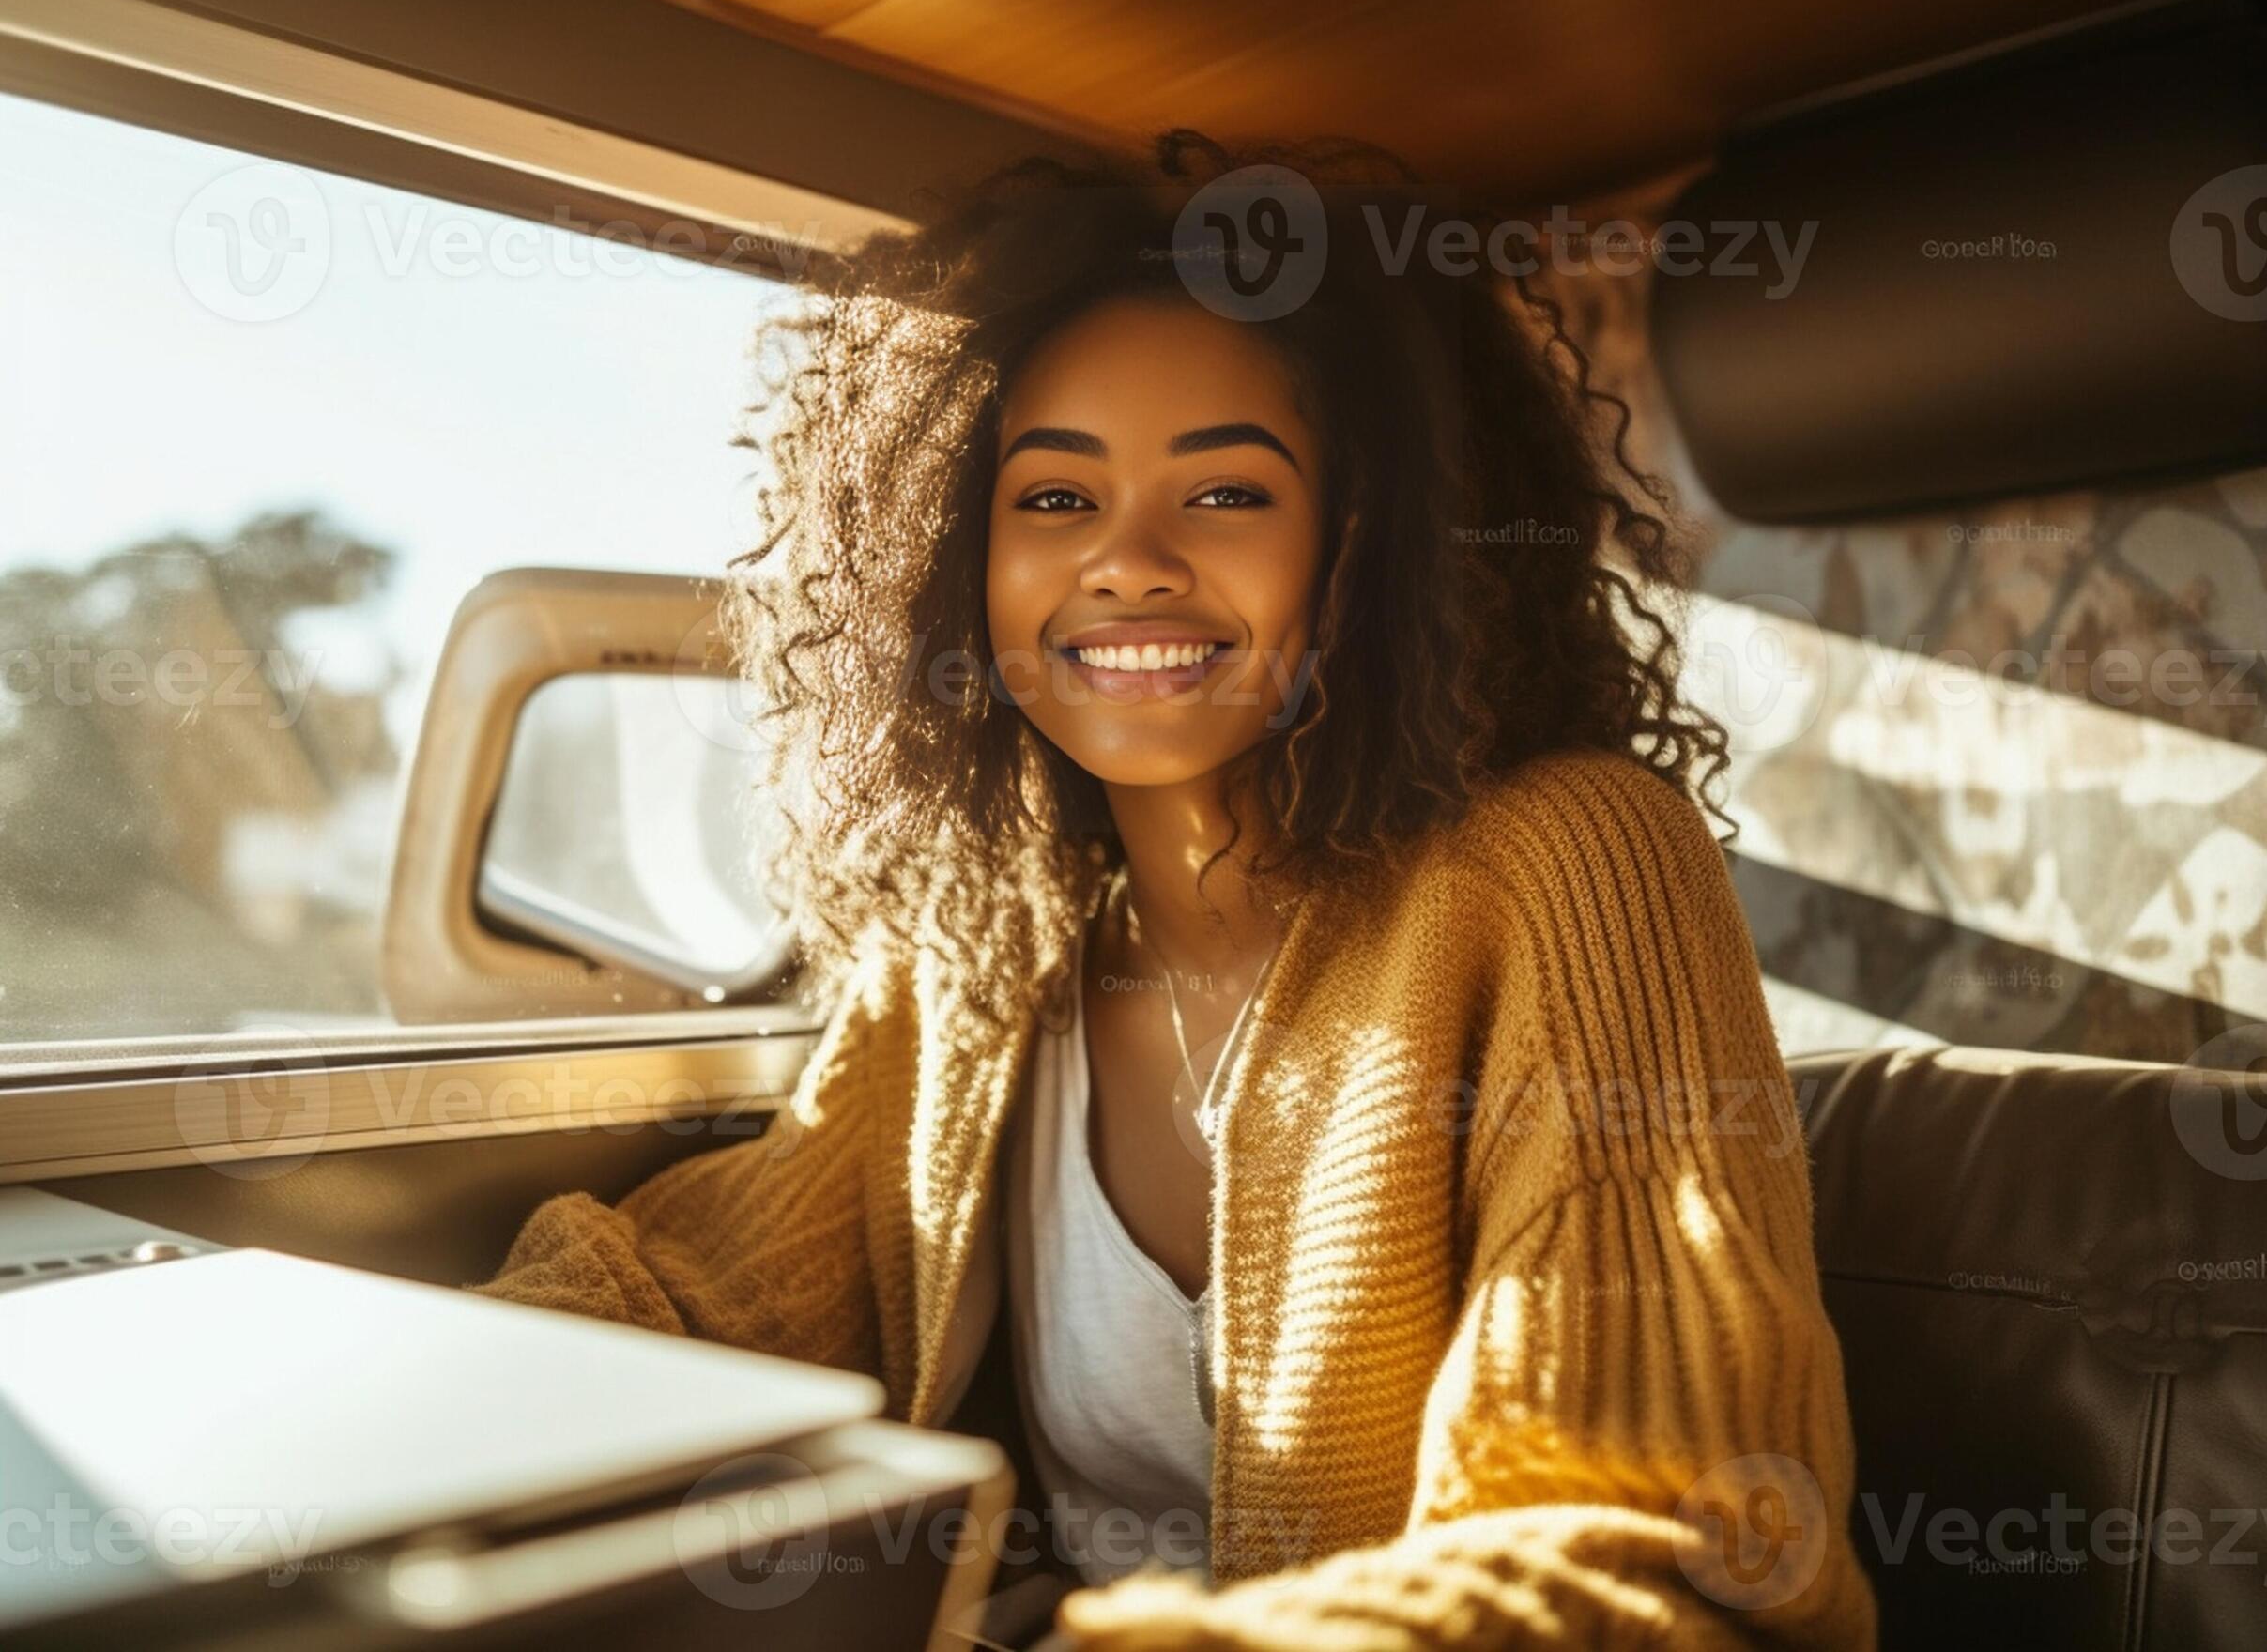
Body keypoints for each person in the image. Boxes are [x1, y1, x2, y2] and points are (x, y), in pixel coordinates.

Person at [471, 132, 1876, 1647]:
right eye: (1056, 501)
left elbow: (1666, 1547)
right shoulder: (982, 946)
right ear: (960, 562)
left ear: (1369, 547)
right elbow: (692, 1295)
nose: (1127, 563)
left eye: (1222, 495)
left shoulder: (1574, 864)